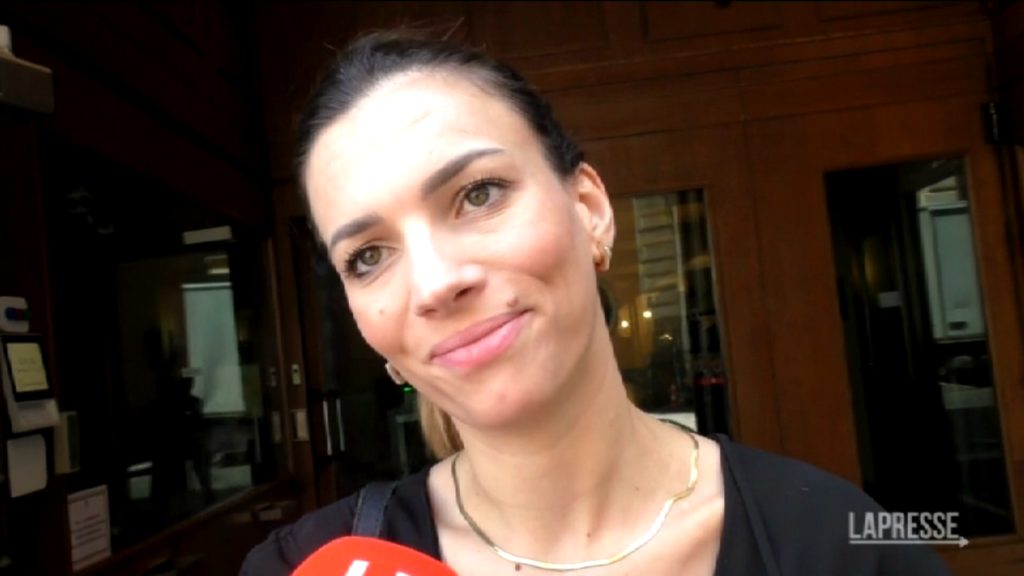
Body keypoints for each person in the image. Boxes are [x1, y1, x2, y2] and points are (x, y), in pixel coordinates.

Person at [240, 29, 950, 575]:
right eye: (368, 256)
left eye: (478, 194)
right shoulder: (300, 566)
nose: (434, 284)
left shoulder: (843, 546)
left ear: (589, 208)